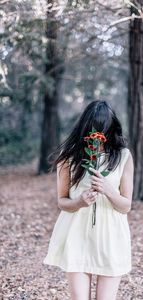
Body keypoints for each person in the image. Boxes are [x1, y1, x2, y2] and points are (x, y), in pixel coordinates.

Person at [43, 100, 134, 300]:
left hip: (111, 237)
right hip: (77, 235)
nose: (98, 137)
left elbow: (126, 206)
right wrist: (80, 202)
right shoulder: (68, 157)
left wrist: (109, 191)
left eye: (104, 130)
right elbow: (62, 201)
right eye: (95, 130)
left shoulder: (122, 157)